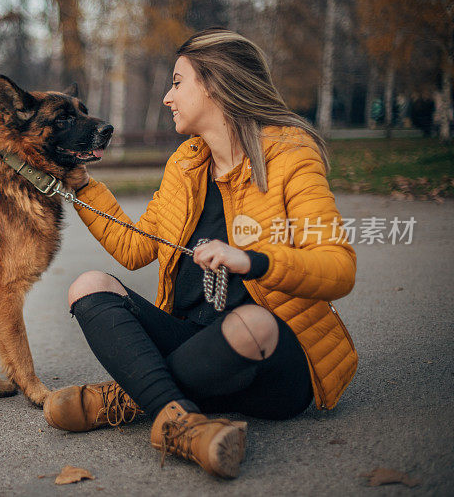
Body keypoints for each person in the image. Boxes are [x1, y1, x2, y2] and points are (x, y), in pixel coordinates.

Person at [42, 28, 358, 479]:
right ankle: (181, 423)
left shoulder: (290, 156)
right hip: (194, 339)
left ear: (214, 84)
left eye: (177, 82)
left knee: (251, 323)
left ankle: (132, 396)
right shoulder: (187, 162)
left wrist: (254, 261)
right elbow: (136, 249)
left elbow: (339, 268)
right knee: (88, 286)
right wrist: (83, 188)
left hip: (272, 356)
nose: (169, 97)